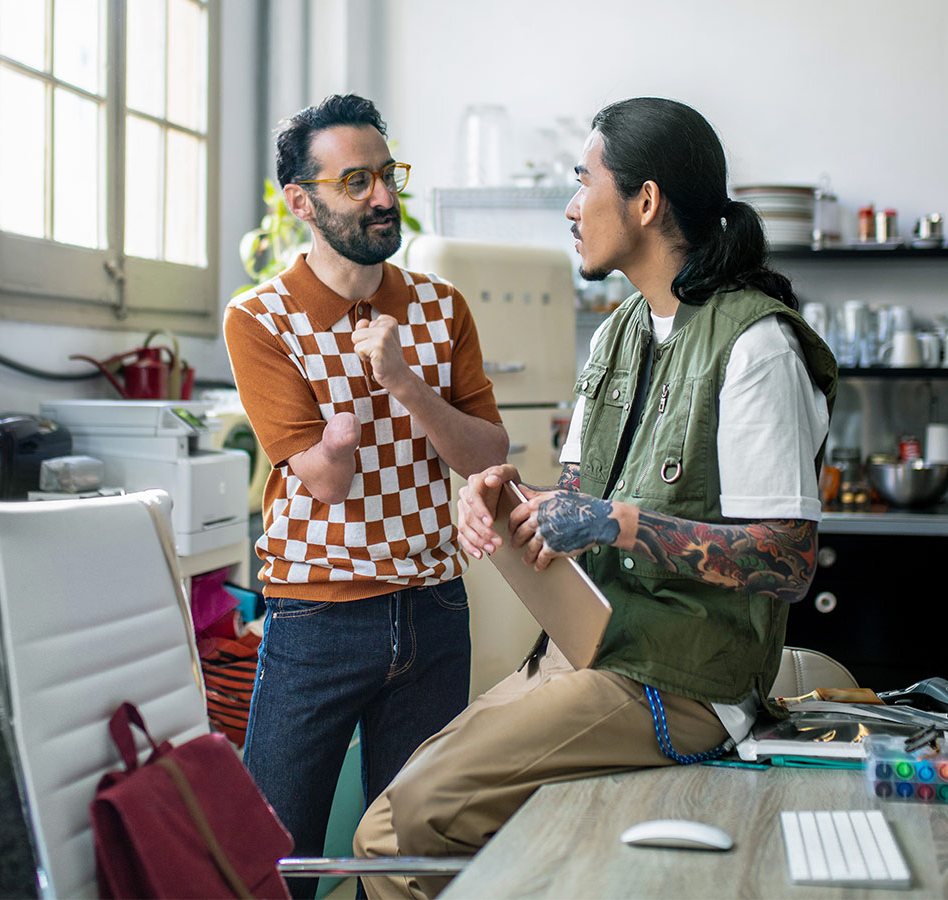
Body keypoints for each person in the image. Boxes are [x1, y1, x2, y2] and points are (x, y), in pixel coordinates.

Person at [352, 97, 838, 900]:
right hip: (591, 649)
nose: (572, 207)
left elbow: (786, 561)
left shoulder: (757, 347)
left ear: (646, 202)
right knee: (380, 830)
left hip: (682, 683)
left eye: (585, 182)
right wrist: (505, 497)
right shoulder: (618, 335)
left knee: (424, 810)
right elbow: (573, 506)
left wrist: (619, 523)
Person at [223, 94, 509, 896]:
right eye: (357, 181)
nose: (383, 197)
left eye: (387, 176)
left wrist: (406, 386)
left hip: (432, 610)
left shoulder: (440, 308)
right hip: (317, 617)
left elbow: (487, 452)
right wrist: (343, 431)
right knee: (275, 860)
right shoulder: (260, 319)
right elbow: (328, 478)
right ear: (303, 201)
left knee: (418, 861)